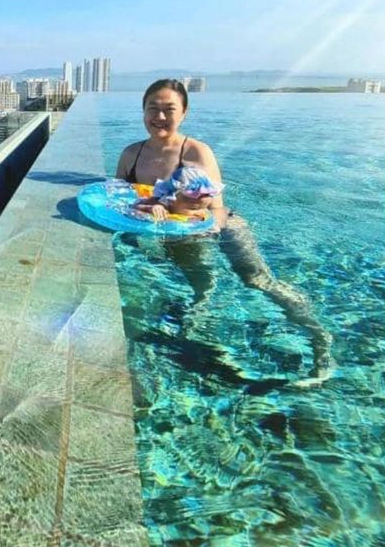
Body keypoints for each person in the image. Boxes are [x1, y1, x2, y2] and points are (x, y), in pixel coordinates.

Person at [117, 78, 334, 387]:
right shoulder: (131, 155)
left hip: (216, 228)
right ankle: (203, 340)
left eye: (169, 109)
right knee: (198, 290)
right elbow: (120, 199)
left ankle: (317, 333)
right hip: (172, 229)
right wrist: (147, 216)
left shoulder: (196, 153)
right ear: (143, 111)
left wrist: (198, 232)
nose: (160, 117)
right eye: (153, 108)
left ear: (184, 113)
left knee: (256, 280)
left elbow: (216, 209)